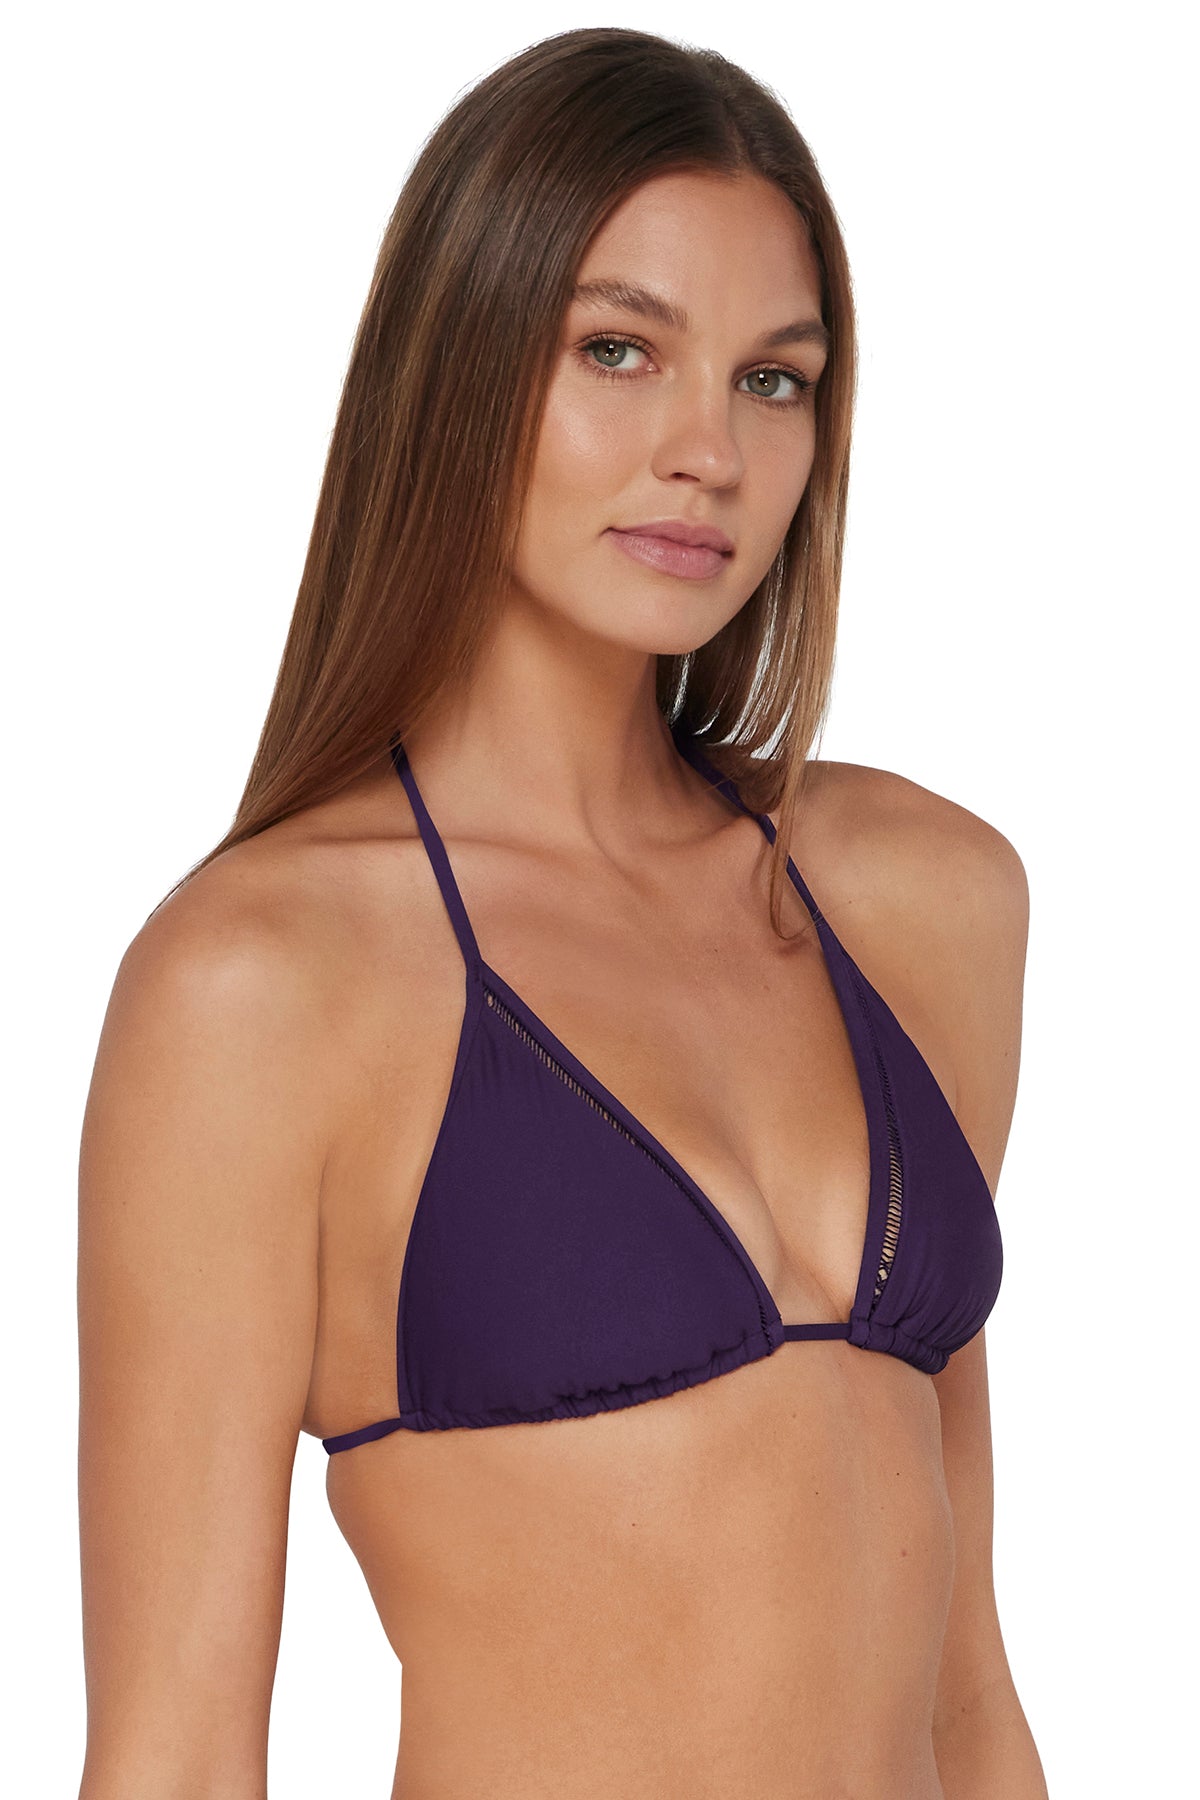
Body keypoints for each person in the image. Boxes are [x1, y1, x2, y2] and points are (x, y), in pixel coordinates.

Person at [76, 25, 1047, 1800]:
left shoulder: (921, 901)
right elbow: (176, 1754)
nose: (708, 450)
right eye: (619, 350)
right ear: (458, 366)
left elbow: (966, 1683)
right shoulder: (264, 982)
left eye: (775, 380)